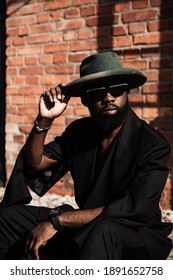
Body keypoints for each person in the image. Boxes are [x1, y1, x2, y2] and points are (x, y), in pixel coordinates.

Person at [0, 51, 172, 260]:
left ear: (127, 92)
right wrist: (44, 121)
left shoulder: (153, 144)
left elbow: (134, 209)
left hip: (136, 234)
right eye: (98, 92)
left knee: (104, 231)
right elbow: (36, 164)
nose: (108, 98)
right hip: (87, 224)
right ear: (85, 100)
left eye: (116, 89)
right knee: (6, 219)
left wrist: (58, 221)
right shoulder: (80, 132)